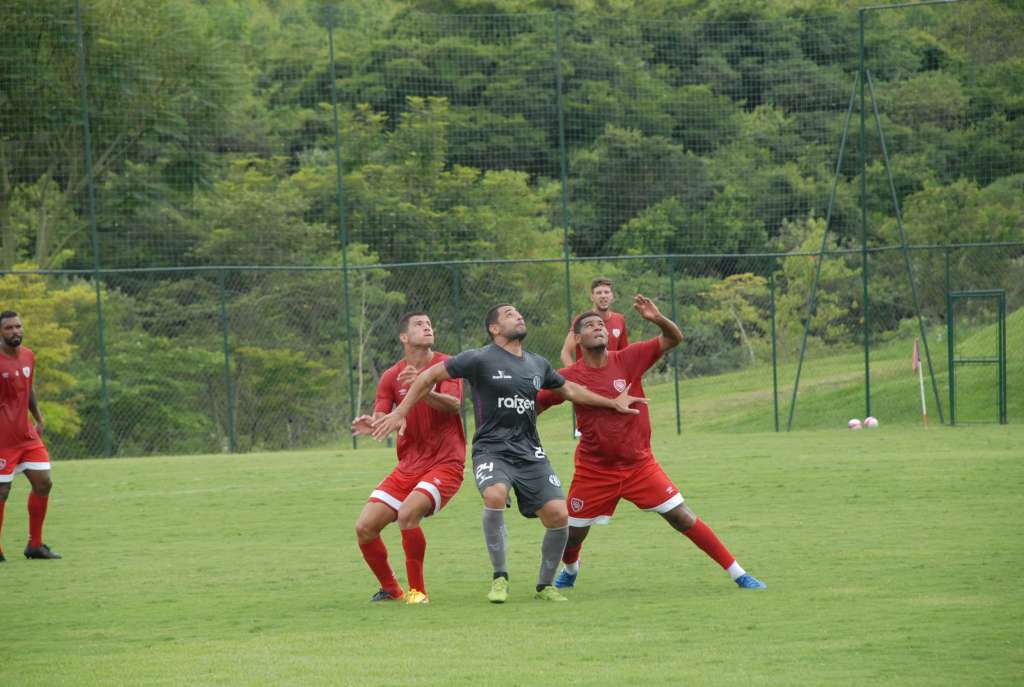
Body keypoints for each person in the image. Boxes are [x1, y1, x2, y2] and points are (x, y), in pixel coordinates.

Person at [372, 304, 644, 603]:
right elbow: (426, 378)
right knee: (495, 495)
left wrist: (611, 402)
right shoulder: (479, 358)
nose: (518, 316)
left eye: (519, 313)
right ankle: (500, 577)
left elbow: (572, 391)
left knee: (559, 515)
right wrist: (402, 412)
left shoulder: (537, 364)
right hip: (491, 449)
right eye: (510, 314)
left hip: (530, 451)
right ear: (495, 329)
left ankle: (545, 586)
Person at [537, 296, 766, 591]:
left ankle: (738, 573)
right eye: (590, 325)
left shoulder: (629, 358)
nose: (599, 328)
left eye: (601, 325)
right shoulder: (567, 378)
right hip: (594, 470)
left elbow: (673, 338)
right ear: (577, 338)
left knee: (682, 517)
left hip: (639, 465)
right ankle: (571, 569)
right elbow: (534, 406)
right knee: (573, 535)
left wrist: (657, 318)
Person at [351, 312, 466, 605]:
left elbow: (454, 406)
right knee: (364, 527)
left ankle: (418, 593)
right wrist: (373, 424)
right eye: (419, 324)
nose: (428, 327)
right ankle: (391, 588)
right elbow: (383, 414)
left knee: (407, 514)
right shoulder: (391, 376)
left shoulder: (447, 365)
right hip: (409, 465)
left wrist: (423, 385)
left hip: (446, 461)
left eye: (429, 323)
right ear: (404, 337)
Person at [0, 311, 61, 562]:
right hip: (2, 439)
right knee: (2, 491)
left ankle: (34, 545)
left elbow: (29, 389)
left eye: (18, 326)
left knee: (44, 482)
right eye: (9, 328)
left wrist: (39, 417)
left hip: (27, 435)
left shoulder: (28, 356)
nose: (15, 331)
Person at [559, 277, 629, 367]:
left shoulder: (619, 319)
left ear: (612, 296)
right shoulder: (582, 320)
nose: (603, 296)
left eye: (606, 292)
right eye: (599, 293)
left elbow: (624, 354)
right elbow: (565, 353)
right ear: (592, 297)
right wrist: (575, 376)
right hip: (587, 378)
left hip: (611, 378)